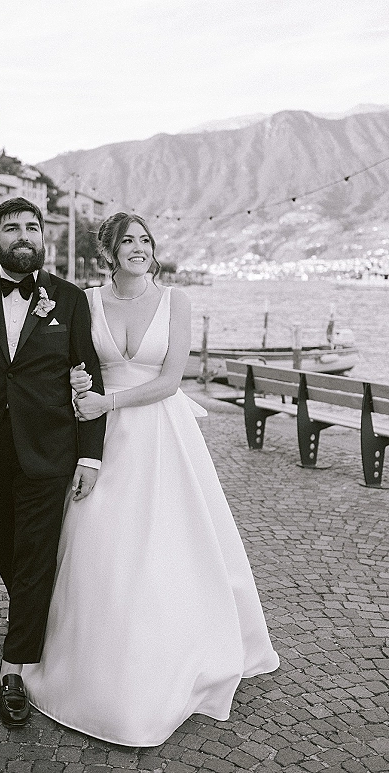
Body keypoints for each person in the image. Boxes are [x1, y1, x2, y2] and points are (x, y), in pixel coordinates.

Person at [22, 212, 280, 747]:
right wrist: (75, 392)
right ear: (109, 253)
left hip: (161, 435)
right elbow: (72, 359)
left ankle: (174, 654)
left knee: (167, 544)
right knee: (100, 547)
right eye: (127, 242)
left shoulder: (175, 302)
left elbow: (168, 381)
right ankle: (90, 660)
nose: (138, 248)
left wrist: (104, 401)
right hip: (100, 443)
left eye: (145, 240)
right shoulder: (86, 301)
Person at [0, 197, 106, 727]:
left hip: (47, 449)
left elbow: (88, 375)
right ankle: (35, 621)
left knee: (35, 551)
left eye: (33, 227)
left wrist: (90, 454)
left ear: (43, 237)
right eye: (13, 229)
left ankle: (15, 667)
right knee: (4, 543)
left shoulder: (70, 300)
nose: (24, 236)